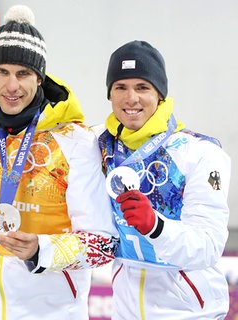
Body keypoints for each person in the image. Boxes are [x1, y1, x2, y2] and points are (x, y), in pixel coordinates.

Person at [0, 5, 118, 320]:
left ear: (40, 77)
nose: (12, 86)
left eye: (23, 73)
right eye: (1, 71)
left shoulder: (75, 141)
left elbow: (103, 243)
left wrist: (40, 251)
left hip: (51, 311)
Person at [98, 40, 230, 319]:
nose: (131, 98)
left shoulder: (200, 152)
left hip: (191, 311)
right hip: (127, 309)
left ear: (160, 94)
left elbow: (209, 245)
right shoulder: (99, 144)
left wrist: (156, 227)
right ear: (109, 94)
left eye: (142, 87)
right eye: (120, 87)